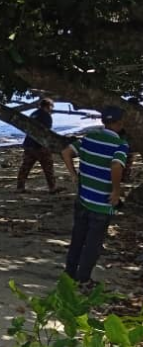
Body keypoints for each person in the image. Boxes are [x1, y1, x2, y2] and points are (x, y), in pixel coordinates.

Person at [60, 106, 129, 288]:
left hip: (84, 198)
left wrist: (73, 175)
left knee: (78, 238)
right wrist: (116, 191)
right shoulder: (120, 145)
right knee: (93, 243)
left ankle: (69, 273)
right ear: (119, 123)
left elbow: (66, 152)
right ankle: (83, 279)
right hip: (102, 202)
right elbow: (116, 166)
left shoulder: (89, 137)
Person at [17, 98, 61, 193]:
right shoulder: (46, 116)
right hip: (40, 145)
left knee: (25, 167)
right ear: (48, 106)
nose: (52, 109)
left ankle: (20, 187)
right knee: (48, 167)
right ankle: (52, 188)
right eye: (51, 107)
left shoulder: (34, 114)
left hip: (28, 144)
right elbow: (46, 132)